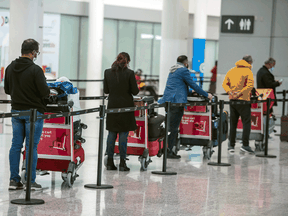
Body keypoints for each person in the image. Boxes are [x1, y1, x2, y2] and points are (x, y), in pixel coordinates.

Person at [4, 39, 50, 190]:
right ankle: (30, 181)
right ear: (33, 52)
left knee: (15, 145)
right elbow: (44, 92)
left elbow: (7, 90)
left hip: (16, 111)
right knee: (31, 147)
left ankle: (13, 180)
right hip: (33, 113)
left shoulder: (10, 68)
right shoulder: (36, 70)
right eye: (36, 52)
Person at [158, 55, 213, 159]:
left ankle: (166, 149)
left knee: (170, 127)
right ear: (186, 63)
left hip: (169, 100)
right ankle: (168, 151)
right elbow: (194, 85)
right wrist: (206, 94)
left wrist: (189, 92)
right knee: (173, 128)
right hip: (176, 102)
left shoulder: (173, 70)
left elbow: (177, 86)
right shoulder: (183, 70)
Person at [104, 52, 139, 171]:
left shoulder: (107, 72)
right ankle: (123, 163)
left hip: (112, 106)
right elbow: (135, 92)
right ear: (127, 61)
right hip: (126, 107)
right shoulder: (129, 73)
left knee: (111, 134)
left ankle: (109, 162)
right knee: (123, 134)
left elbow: (106, 90)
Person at [222, 55, 254, 154]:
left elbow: (224, 84)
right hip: (243, 101)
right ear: (249, 62)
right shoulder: (248, 71)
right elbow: (250, 85)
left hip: (232, 100)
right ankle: (245, 145)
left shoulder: (232, 70)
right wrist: (240, 93)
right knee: (246, 123)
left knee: (233, 123)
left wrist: (230, 92)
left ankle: (231, 145)